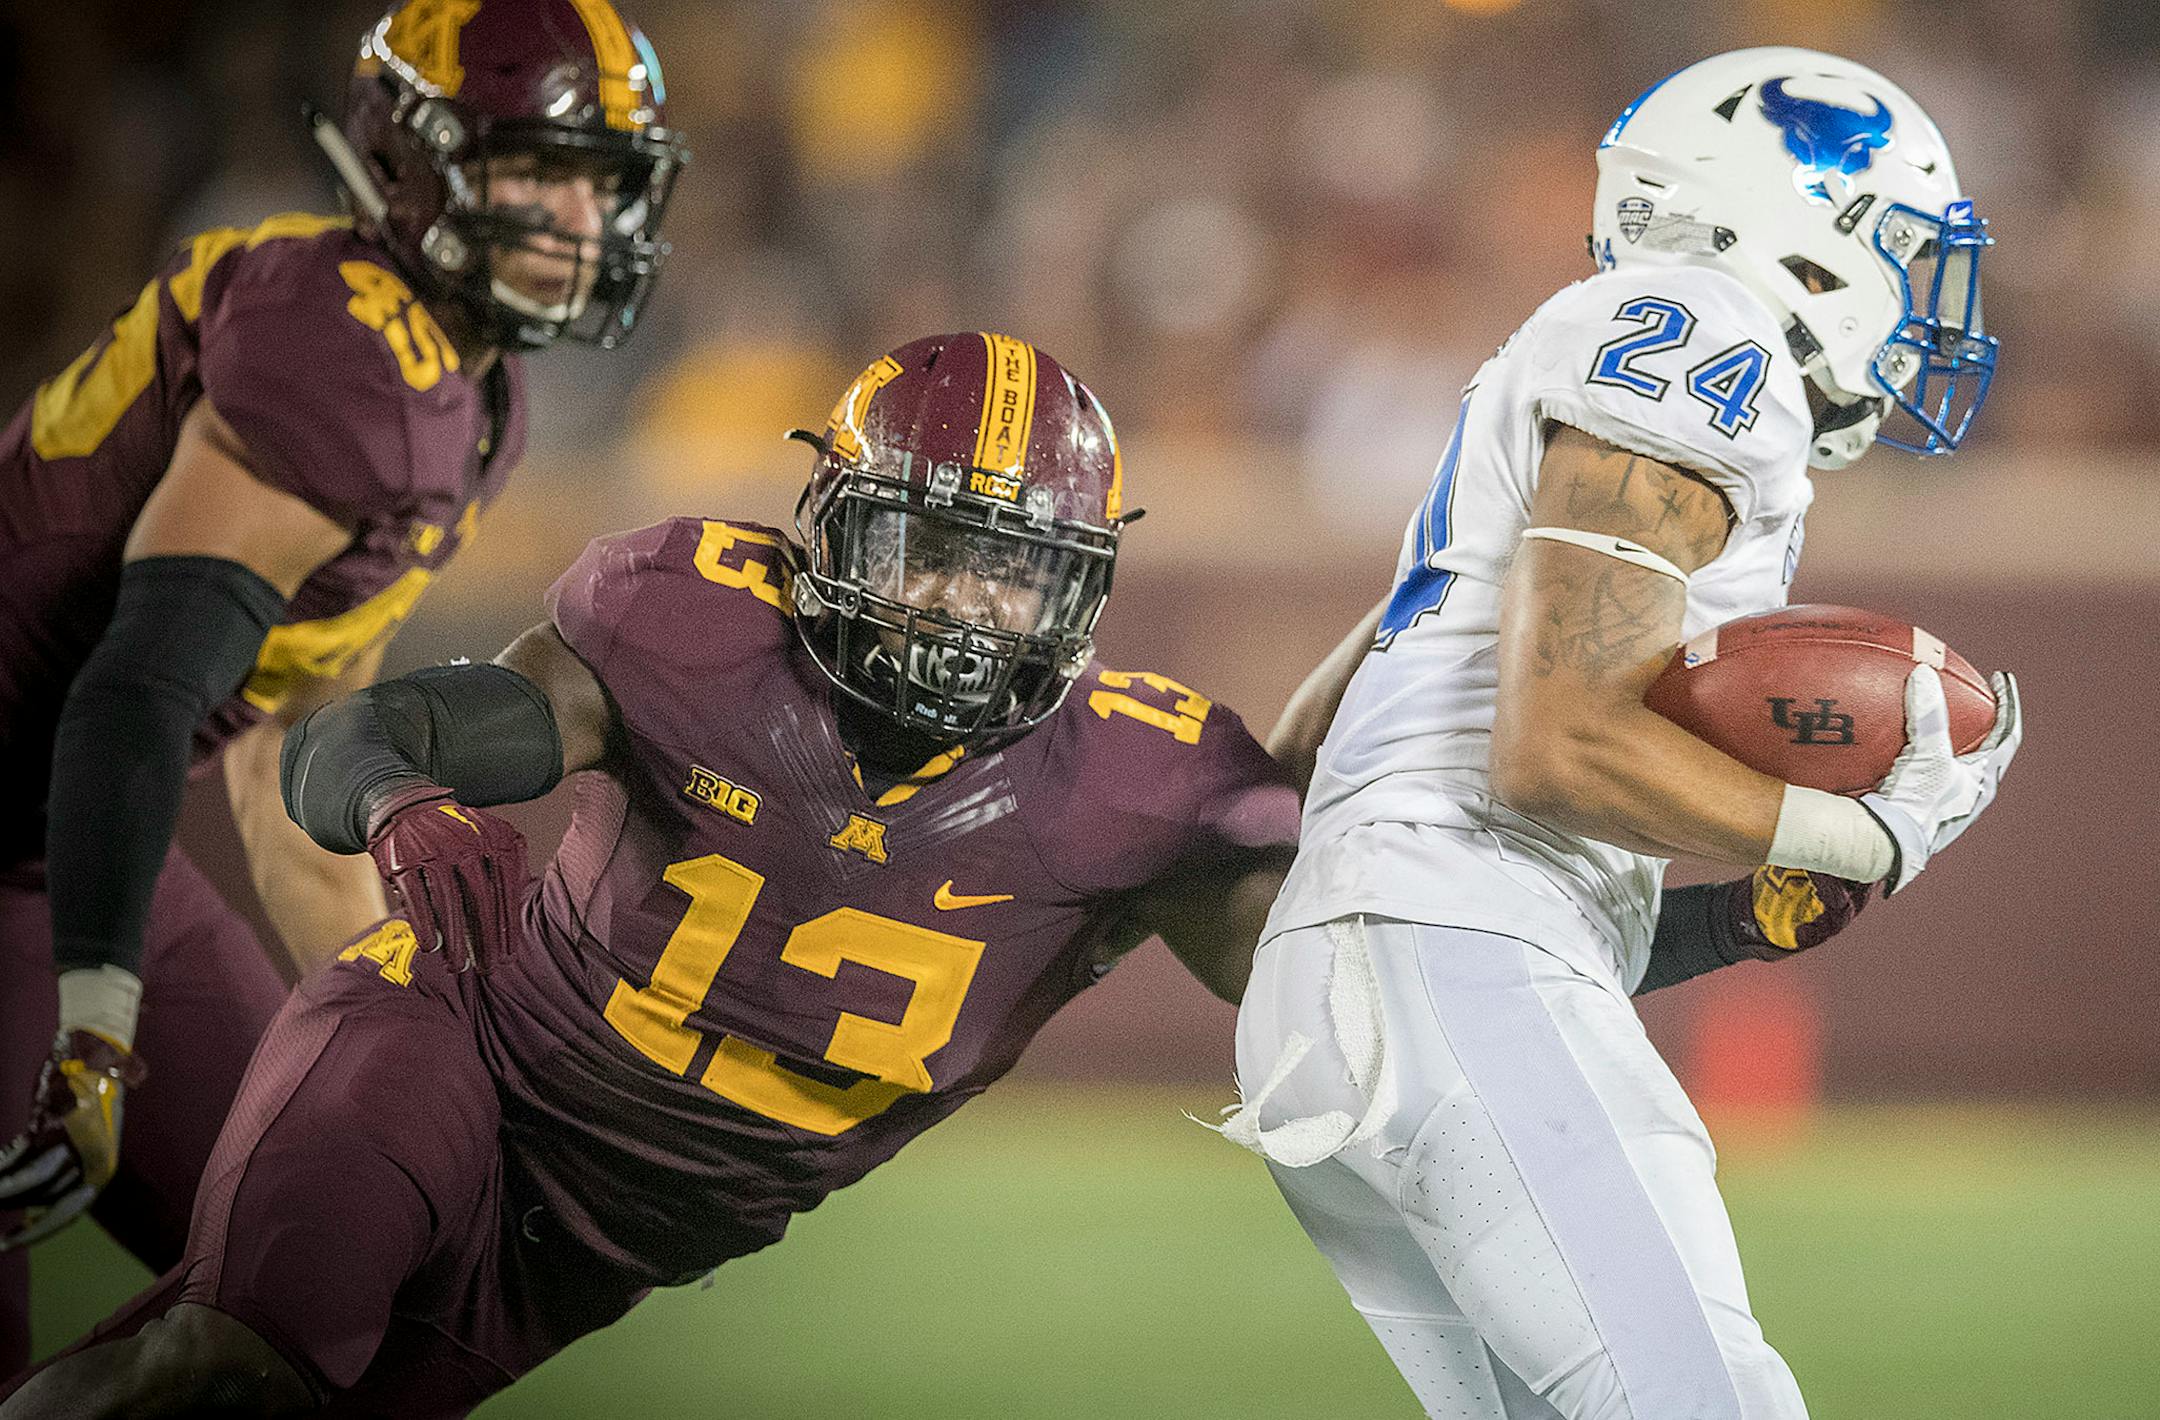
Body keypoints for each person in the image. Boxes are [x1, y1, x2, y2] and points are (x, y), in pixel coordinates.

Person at [0, 330, 1859, 1417]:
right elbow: (359, 742)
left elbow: (1400, 976)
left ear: (1084, 589)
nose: (966, 607)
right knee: (234, 1372)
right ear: (827, 534)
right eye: (925, 550)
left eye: (1012, 569)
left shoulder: (1142, 786)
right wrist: (415, 834)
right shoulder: (686, 624)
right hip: (464, 1060)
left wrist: (1732, 912)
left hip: (632, 1243)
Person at [1220, 46, 2025, 1420]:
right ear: (1797, 223)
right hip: (1449, 954)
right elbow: (1554, 751)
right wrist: (1860, 830)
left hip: (1381, 971)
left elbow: (1314, 759)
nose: (1920, 297)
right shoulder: (1701, 327)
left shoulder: (1592, 352)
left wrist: (1723, 924)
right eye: (1898, 245)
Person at [0, 0, 685, 1376]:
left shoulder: (471, 393)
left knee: (320, 1240)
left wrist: (411, 1034)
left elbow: (281, 750)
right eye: (526, 170)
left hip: (42, 830)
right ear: (419, 164)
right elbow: (135, 690)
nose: (568, 217)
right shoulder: (343, 348)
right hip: (32, 804)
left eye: (593, 181)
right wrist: (94, 1030)